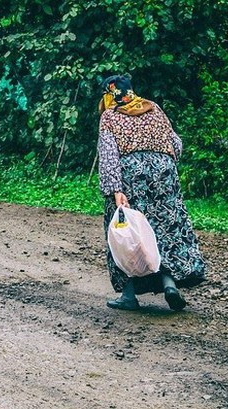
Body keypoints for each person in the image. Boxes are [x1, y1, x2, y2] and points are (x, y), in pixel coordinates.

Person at [97, 73, 206, 311]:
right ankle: (170, 285)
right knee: (164, 228)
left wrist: (115, 190)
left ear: (110, 94)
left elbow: (108, 156)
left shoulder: (110, 116)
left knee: (125, 233)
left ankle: (128, 296)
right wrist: (161, 160)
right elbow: (176, 144)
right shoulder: (153, 108)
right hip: (163, 173)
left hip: (130, 175)